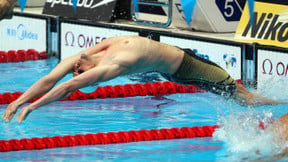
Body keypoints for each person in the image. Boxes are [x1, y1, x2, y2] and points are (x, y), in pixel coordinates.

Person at [2, 35, 285, 123]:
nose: (78, 74)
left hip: (188, 65)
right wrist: (19, 99)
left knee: (243, 99)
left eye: (80, 72)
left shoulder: (112, 64)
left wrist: (32, 108)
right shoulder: (90, 53)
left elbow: (66, 87)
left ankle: (282, 102)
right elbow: (51, 79)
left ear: (82, 66)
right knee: (237, 94)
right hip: (166, 67)